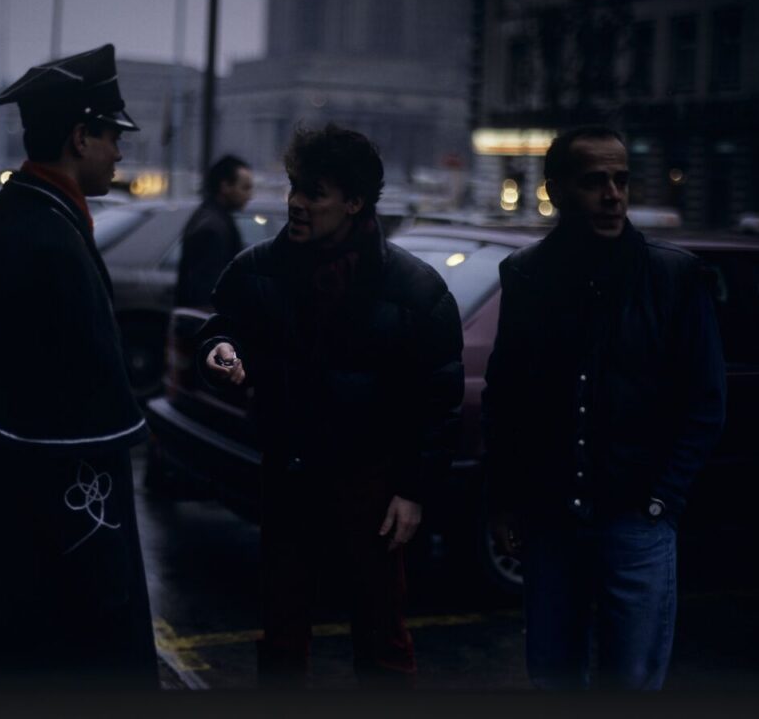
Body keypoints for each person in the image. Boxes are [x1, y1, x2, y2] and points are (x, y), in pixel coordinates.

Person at [0, 44, 158, 690]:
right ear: (80, 136)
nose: (120, 152)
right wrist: (106, 575)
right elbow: (82, 444)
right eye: (111, 136)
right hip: (40, 565)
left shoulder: (7, 221)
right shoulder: (53, 245)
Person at [199, 124, 464, 687]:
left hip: (372, 488)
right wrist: (220, 349)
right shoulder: (258, 270)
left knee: (382, 640)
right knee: (282, 638)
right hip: (288, 479)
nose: (296, 202)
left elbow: (439, 401)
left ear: (354, 201)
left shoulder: (414, 289)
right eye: (295, 186)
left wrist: (413, 490)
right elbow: (222, 325)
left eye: (314, 192)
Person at [482, 125, 726, 690]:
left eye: (620, 180)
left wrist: (664, 498)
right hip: (551, 522)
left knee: (631, 683)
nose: (613, 195)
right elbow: (508, 397)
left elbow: (705, 402)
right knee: (553, 676)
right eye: (594, 182)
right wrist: (503, 502)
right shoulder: (527, 275)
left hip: (636, 519)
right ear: (558, 190)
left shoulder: (675, 276)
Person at [175, 154, 253, 308]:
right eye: (245, 188)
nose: (250, 196)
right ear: (225, 187)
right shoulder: (212, 228)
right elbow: (207, 291)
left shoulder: (213, 218)